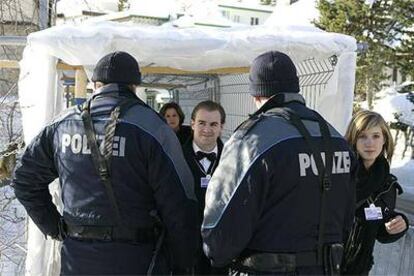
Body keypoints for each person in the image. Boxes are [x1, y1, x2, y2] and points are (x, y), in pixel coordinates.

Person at [13, 51, 198, 275]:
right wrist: (183, 262)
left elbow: (24, 179)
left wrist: (56, 228)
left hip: (77, 258)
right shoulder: (153, 127)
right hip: (137, 259)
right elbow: (178, 201)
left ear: (95, 84)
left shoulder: (63, 124)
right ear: (134, 86)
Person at [201, 51, 356, 275]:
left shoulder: (254, 139)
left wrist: (214, 251)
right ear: (296, 87)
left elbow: (222, 227)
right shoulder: (334, 137)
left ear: (256, 94)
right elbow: (346, 215)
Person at [342, 110, 409, 275]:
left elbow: (379, 231)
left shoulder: (387, 184)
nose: (369, 143)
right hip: (325, 268)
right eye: (362, 136)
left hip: (359, 270)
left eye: (376, 136)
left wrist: (397, 224)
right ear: (352, 138)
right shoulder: (338, 174)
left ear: (385, 139)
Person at [181, 100, 227, 275]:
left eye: (213, 124)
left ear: (222, 127)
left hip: (222, 249)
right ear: (192, 124)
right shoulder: (175, 158)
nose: (207, 129)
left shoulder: (234, 159)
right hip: (186, 247)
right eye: (201, 123)